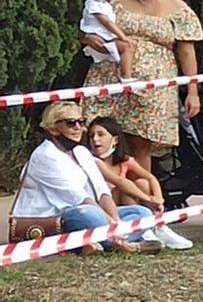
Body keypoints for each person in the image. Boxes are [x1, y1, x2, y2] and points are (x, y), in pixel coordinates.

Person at [81, 0, 203, 175]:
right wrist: (88, 38)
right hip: (110, 76)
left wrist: (192, 91)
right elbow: (90, 24)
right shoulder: (114, 0)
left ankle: (139, 200)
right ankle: (108, 198)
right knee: (102, 139)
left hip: (153, 86)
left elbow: (187, 52)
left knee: (141, 145)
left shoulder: (179, 9)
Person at [13, 102, 153, 254]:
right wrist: (111, 223)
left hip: (92, 211)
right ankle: (117, 243)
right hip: (56, 216)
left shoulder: (82, 152)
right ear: (53, 129)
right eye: (71, 123)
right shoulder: (45, 155)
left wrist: (116, 222)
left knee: (142, 214)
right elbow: (80, 198)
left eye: (81, 122)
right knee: (88, 214)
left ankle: (107, 242)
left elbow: (102, 192)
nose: (78, 128)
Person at [85, 116, 193, 250]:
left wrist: (158, 198)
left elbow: (150, 177)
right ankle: (143, 229)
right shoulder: (92, 161)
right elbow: (119, 182)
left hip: (125, 206)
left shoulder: (124, 160)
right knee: (123, 188)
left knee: (142, 182)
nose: (95, 139)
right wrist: (148, 199)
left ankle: (156, 225)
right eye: (91, 136)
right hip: (106, 209)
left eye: (101, 135)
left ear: (115, 140)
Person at [79, 0, 135, 83]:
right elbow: (106, 23)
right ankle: (126, 77)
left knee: (128, 48)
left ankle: (126, 75)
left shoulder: (106, 5)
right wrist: (122, 36)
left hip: (106, 38)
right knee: (127, 47)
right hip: (99, 39)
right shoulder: (93, 4)